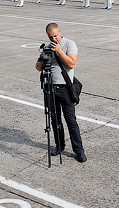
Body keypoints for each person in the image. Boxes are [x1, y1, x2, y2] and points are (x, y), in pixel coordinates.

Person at [36, 23, 86, 162]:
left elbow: (71, 63)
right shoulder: (46, 48)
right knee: (54, 119)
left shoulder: (69, 44)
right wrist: (39, 64)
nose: (54, 39)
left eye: (55, 36)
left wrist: (59, 50)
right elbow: (38, 68)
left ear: (60, 32)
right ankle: (59, 145)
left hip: (65, 88)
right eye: (51, 37)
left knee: (71, 120)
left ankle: (79, 150)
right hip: (50, 88)